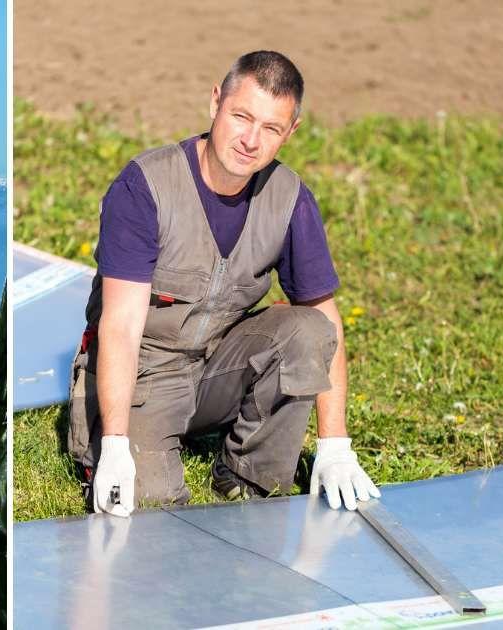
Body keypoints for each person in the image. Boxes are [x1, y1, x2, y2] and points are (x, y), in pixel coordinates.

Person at [67, 51, 380, 517]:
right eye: (241, 117)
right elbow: (121, 325)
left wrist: (335, 444)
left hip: (217, 365)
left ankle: (247, 473)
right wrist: (113, 444)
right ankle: (132, 442)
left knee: (309, 329)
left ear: (290, 133)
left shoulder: (290, 199)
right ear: (216, 103)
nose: (251, 140)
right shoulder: (145, 187)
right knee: (150, 510)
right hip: (145, 375)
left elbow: (326, 318)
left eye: (271, 128)